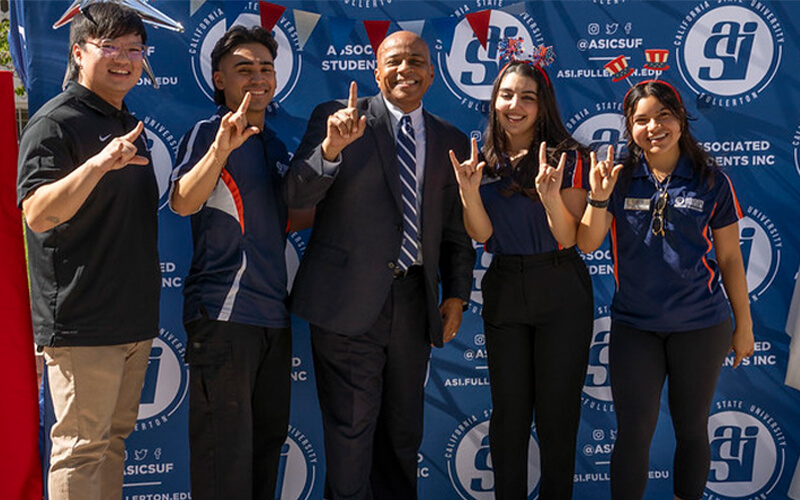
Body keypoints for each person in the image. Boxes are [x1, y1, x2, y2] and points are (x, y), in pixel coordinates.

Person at [284, 31, 476, 500]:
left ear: (432, 73)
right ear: (376, 70)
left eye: (416, 61)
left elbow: (454, 230)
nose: (405, 69)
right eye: (394, 60)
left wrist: (455, 294)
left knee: (402, 432)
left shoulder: (450, 138)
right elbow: (294, 197)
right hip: (346, 303)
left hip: (413, 305)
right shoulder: (339, 120)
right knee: (351, 432)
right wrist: (330, 151)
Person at [576, 80, 754, 500]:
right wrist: (598, 198)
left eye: (663, 116)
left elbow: (730, 259)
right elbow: (586, 243)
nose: (653, 127)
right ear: (629, 127)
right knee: (633, 433)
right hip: (635, 327)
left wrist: (743, 326)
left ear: (680, 120)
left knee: (691, 428)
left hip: (701, 325)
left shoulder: (711, 180)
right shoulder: (617, 177)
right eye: (641, 120)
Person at [16, 4, 159, 499]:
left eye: (134, 48)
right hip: (82, 322)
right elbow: (37, 214)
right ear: (78, 52)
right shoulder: (55, 122)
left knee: (111, 445)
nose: (124, 58)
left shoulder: (125, 119)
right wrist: (96, 165)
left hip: (132, 319)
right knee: (81, 448)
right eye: (110, 46)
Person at [449, 59, 593, 499]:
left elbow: (569, 236)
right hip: (506, 284)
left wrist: (551, 198)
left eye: (527, 96)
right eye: (507, 94)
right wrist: (469, 193)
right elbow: (481, 234)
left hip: (560, 286)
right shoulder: (485, 159)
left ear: (542, 104)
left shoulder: (570, 156)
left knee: (557, 417)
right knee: (508, 417)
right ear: (494, 101)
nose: (515, 105)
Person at [170, 25, 293, 500]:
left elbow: (295, 215)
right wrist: (222, 148)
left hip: (274, 321)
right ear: (221, 80)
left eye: (266, 68)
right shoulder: (208, 131)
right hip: (222, 318)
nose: (257, 77)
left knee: (265, 452)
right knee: (224, 461)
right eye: (244, 69)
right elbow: (182, 202)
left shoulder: (275, 145)